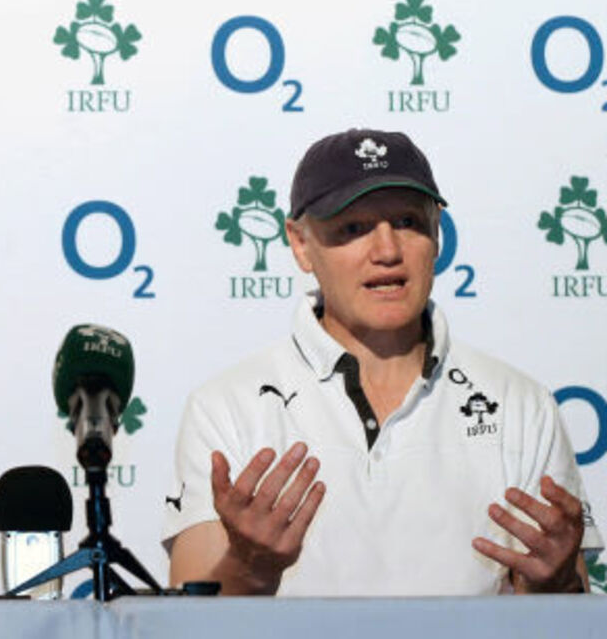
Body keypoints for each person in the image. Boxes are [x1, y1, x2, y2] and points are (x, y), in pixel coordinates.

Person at [163, 128, 602, 595]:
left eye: (408, 222)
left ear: (437, 233)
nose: (388, 252)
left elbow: (564, 614)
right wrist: (251, 568)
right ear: (301, 244)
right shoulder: (225, 407)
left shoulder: (522, 404)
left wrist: (556, 583)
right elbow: (185, 618)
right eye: (353, 228)